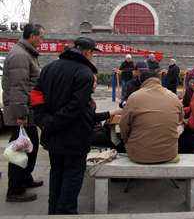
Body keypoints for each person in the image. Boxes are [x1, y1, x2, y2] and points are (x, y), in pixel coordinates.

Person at [31, 37, 101, 215]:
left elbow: (36, 96)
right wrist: (51, 123)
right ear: (88, 52)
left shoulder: (48, 68)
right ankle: (65, 212)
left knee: (56, 173)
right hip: (74, 137)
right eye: (93, 53)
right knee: (72, 176)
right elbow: (76, 107)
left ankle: (53, 210)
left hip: (52, 134)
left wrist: (44, 121)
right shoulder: (85, 73)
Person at [2, 23, 45, 202]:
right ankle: (15, 190)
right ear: (32, 36)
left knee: (30, 146)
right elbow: (18, 87)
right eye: (41, 37)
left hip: (27, 112)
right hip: (23, 114)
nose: (42, 41)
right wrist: (21, 114)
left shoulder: (27, 54)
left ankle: (25, 178)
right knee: (21, 149)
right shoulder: (20, 55)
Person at [120, 70, 184, 163]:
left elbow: (124, 125)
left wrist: (125, 139)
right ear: (159, 80)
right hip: (169, 154)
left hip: (139, 155)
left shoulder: (134, 97)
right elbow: (180, 118)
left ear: (141, 83)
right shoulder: (173, 97)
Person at [91, 75, 122, 148]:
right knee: (116, 140)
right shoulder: (83, 98)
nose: (95, 84)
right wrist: (112, 113)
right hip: (89, 133)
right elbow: (92, 116)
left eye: (96, 81)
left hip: (96, 129)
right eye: (93, 81)